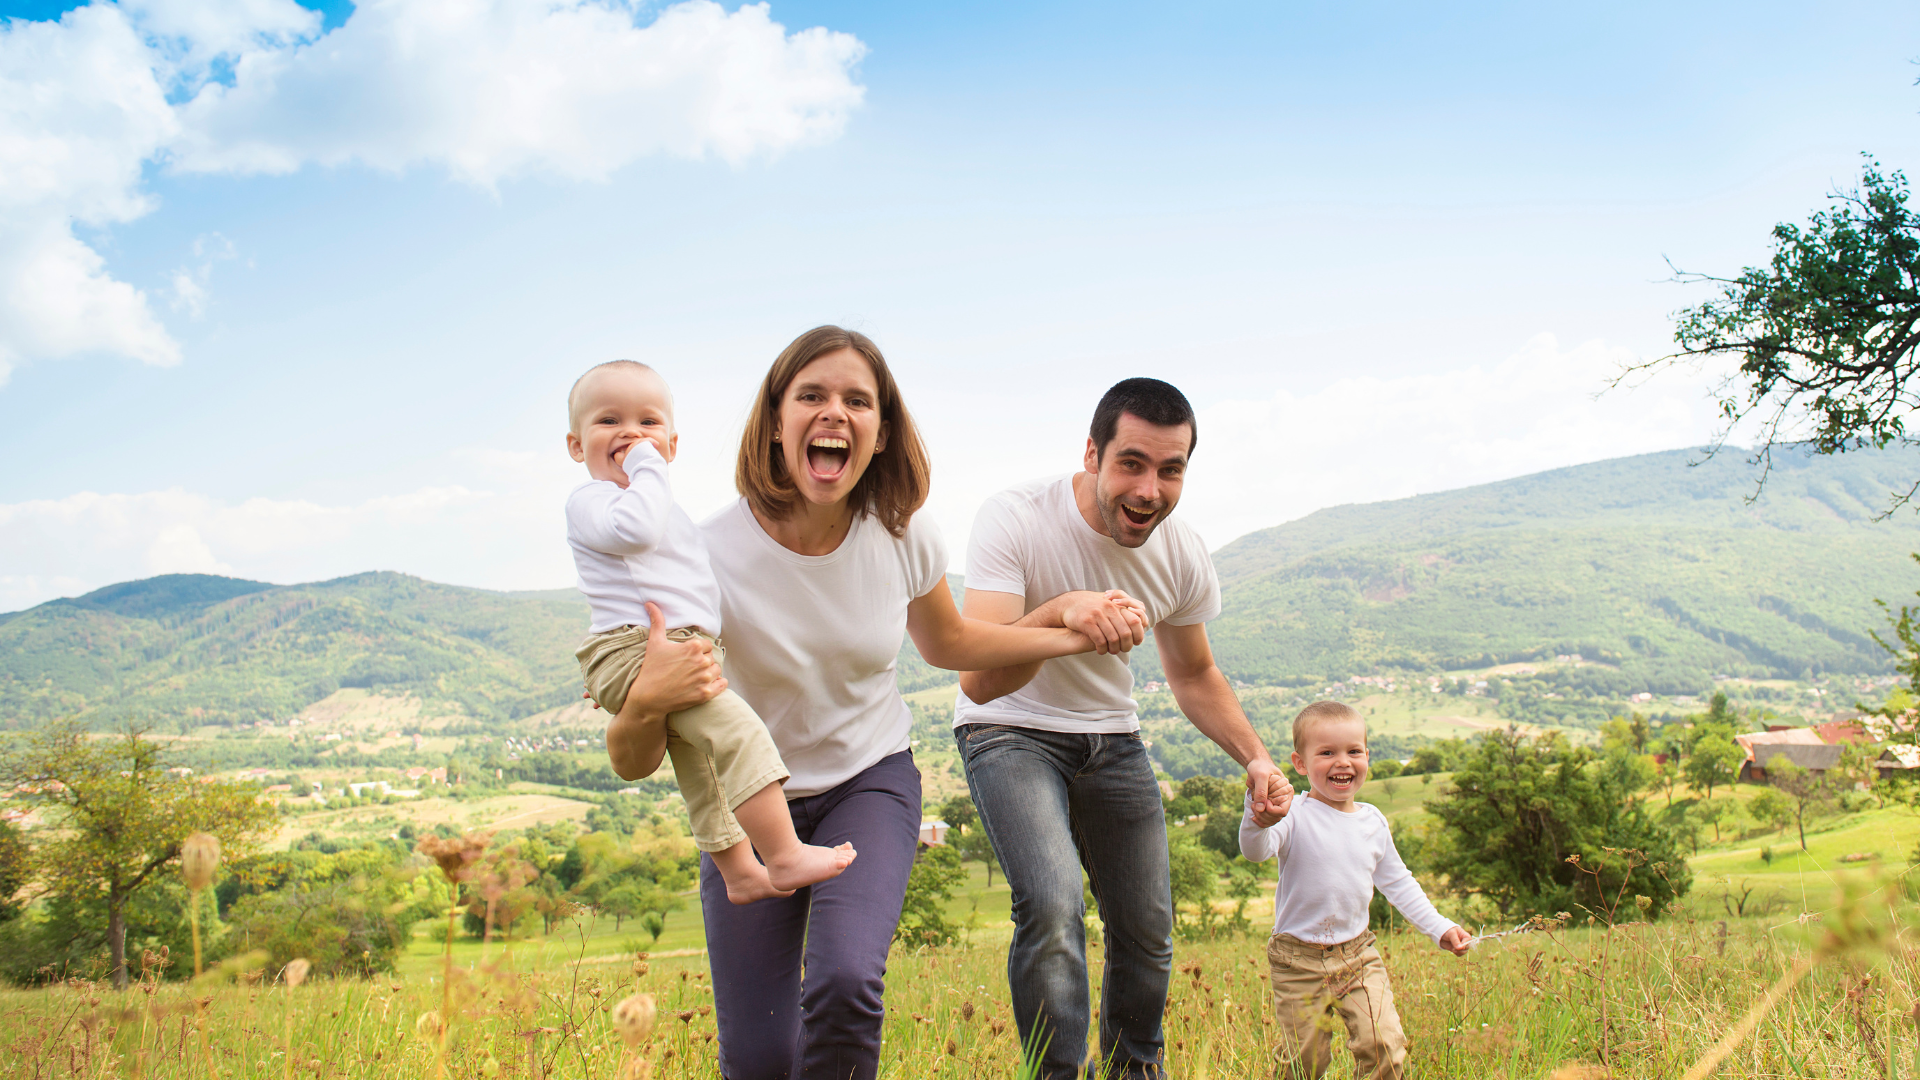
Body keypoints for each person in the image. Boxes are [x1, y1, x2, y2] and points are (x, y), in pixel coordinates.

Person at [615, 326, 1149, 1080]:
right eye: (812, 396)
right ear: (775, 421)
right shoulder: (702, 555)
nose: (835, 412)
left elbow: (954, 644)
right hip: (749, 810)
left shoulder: (901, 535)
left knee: (843, 984)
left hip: (869, 783)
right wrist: (645, 699)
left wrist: (1065, 625)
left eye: (857, 401)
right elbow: (633, 756)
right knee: (761, 1058)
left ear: (881, 431)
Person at [955, 377, 1286, 1079]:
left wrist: (1255, 758)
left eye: (1171, 470)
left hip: (1111, 736)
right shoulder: (1015, 517)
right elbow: (977, 677)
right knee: (1052, 907)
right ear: (1092, 455)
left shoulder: (1182, 554)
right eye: (1131, 463)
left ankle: (1137, 1071)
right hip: (1008, 729)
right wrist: (1060, 613)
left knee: (1146, 929)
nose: (1149, 490)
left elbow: (1193, 675)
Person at [565, 359, 855, 904]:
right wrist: (648, 466)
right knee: (741, 734)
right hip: (641, 647)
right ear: (577, 446)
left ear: (674, 442)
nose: (630, 434)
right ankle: (786, 853)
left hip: (670, 647)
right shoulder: (595, 500)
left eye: (648, 424)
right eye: (609, 421)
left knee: (702, 766)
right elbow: (637, 529)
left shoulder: (658, 508)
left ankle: (740, 871)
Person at [1238, 700, 1471, 1080]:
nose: (1342, 762)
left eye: (1353, 751)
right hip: (1297, 959)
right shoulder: (1293, 814)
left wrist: (1440, 927)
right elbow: (1255, 851)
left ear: (1367, 756)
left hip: (1358, 956)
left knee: (1385, 1045)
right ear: (1300, 763)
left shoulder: (1373, 822)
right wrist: (1257, 814)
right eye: (1327, 753)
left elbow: (1398, 882)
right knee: (1304, 1063)